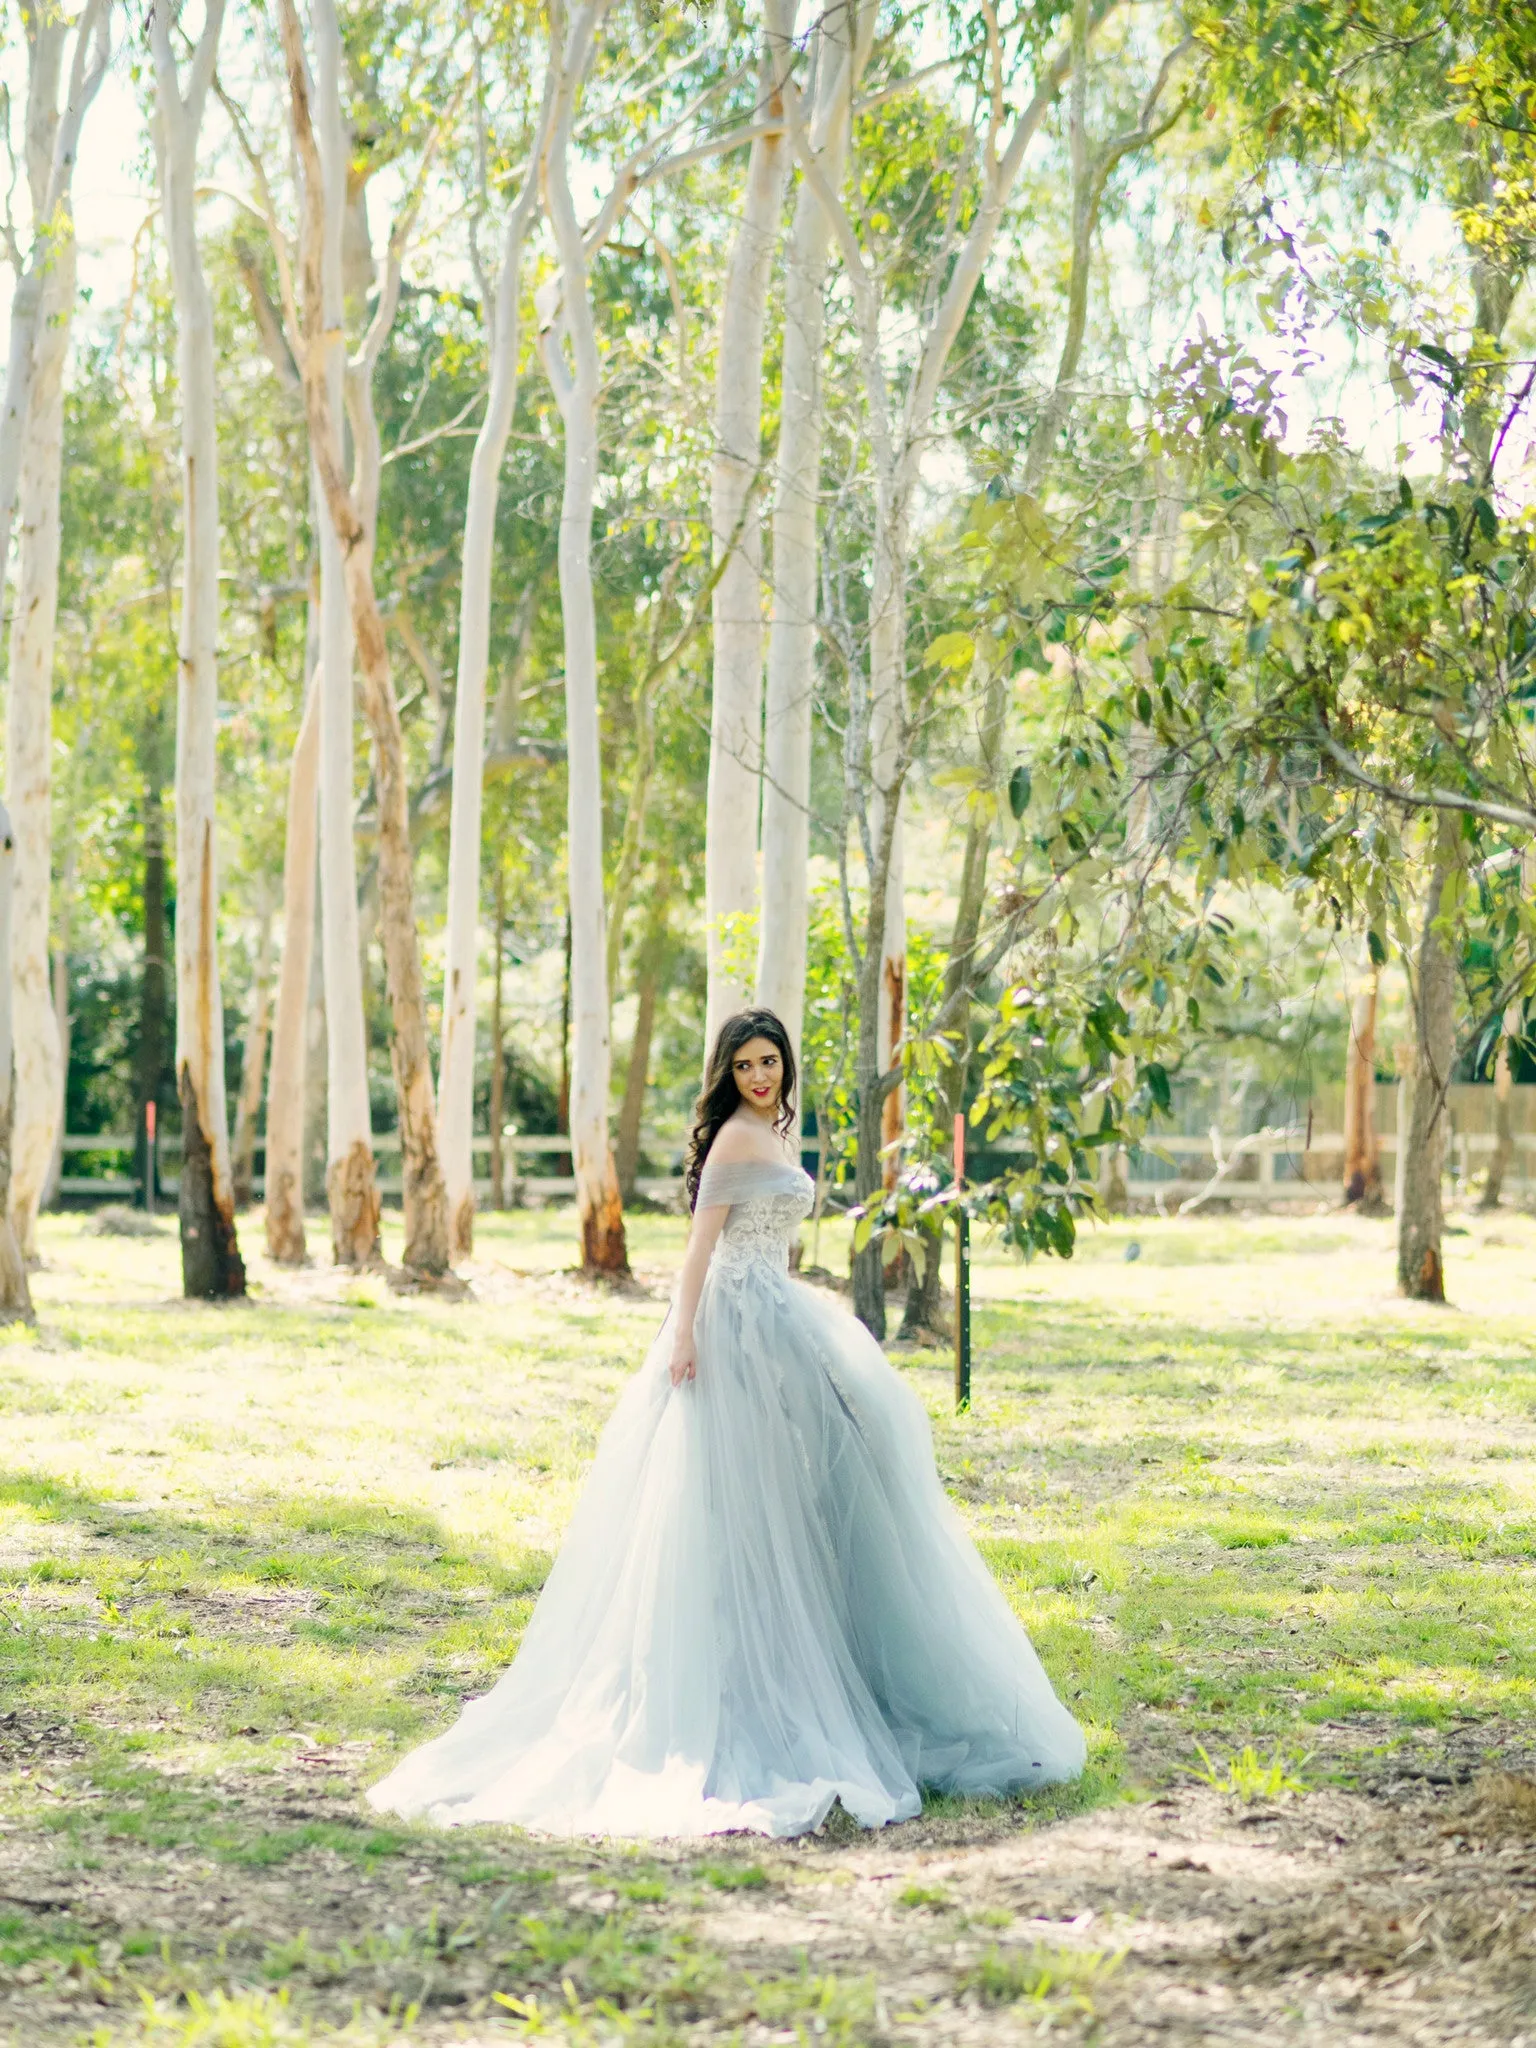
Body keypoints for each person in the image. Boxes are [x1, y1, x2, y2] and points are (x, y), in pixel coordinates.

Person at [368, 1007, 1085, 1838]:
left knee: (819, 1483)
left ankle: (814, 1669)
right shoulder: (738, 1141)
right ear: (727, 1072)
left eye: (769, 1061)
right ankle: (744, 1688)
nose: (759, 1076)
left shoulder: (774, 1134)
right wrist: (685, 1337)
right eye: (744, 1065)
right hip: (729, 1324)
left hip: (777, 1316)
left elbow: (769, 1239)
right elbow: (702, 1247)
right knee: (740, 1503)